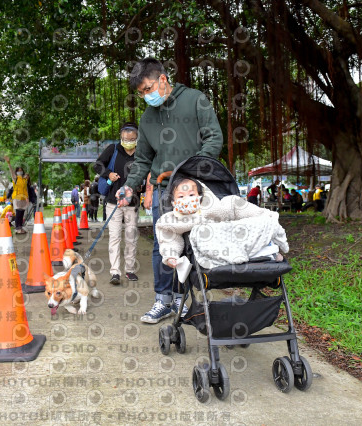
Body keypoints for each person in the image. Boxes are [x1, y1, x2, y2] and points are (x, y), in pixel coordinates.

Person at [117, 57, 223, 324]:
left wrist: (193, 173)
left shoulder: (195, 100)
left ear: (162, 80)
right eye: (141, 93)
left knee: (195, 243)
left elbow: (214, 138)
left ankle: (184, 299)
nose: (145, 96)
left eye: (147, 89)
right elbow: (142, 160)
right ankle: (163, 300)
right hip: (164, 192)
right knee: (162, 246)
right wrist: (129, 187)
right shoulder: (147, 118)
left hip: (196, 190)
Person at [156, 177, 288, 269]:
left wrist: (266, 216)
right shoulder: (172, 220)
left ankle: (268, 251)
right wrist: (170, 255)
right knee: (201, 233)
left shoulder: (216, 208)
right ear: (173, 201)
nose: (187, 199)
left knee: (251, 223)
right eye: (181, 196)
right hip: (211, 249)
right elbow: (169, 238)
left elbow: (238, 206)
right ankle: (267, 254)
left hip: (233, 238)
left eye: (191, 195)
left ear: (201, 196)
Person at [94, 122, 143, 285]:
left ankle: (130, 269)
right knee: (114, 237)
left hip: (132, 202)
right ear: (121, 137)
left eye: (131, 139)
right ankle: (115, 272)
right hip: (113, 202)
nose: (128, 141)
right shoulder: (113, 149)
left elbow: (147, 171)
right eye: (125, 138)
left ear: (137, 138)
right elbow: (97, 165)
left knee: (131, 237)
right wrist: (109, 174)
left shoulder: (142, 152)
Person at [4, 156, 29, 234]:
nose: (20, 172)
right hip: (16, 198)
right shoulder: (15, 178)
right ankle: (17, 228)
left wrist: (27, 198)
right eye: (18, 171)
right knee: (18, 213)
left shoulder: (25, 180)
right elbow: (11, 171)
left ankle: (20, 228)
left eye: (21, 170)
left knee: (22, 213)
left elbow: (25, 189)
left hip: (23, 198)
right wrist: (8, 163)